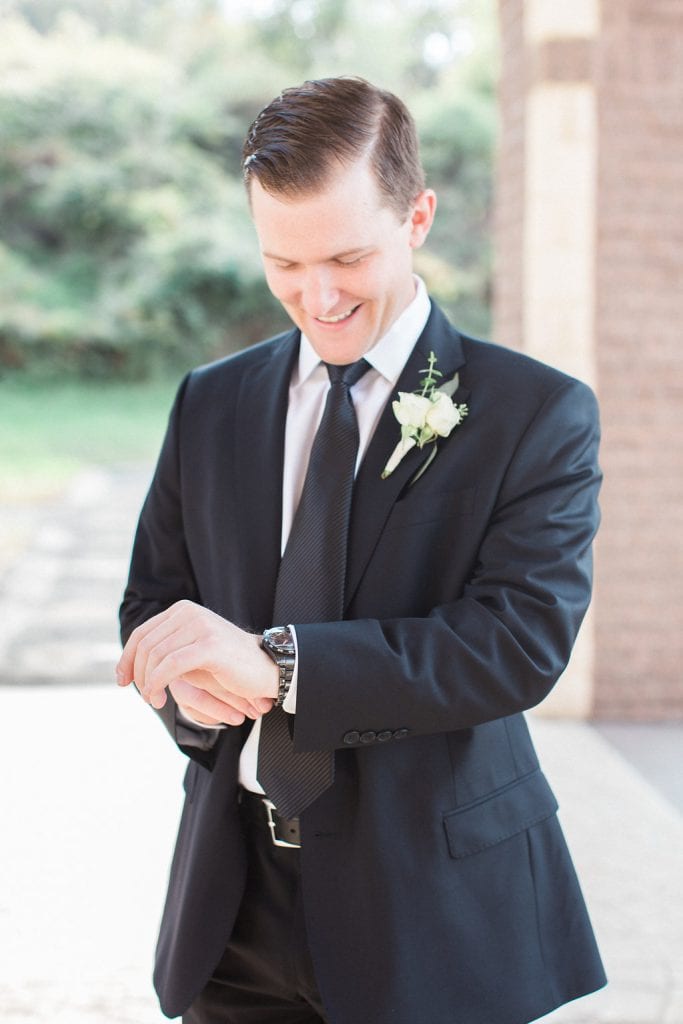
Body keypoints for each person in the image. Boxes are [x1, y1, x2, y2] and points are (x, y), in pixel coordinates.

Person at [117, 76, 606, 1024]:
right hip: (233, 910)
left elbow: (515, 642)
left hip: (434, 914)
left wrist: (279, 670)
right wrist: (187, 683)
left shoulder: (537, 413)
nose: (317, 295)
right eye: (284, 263)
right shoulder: (209, 402)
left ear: (417, 215)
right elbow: (156, 598)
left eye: (346, 256)